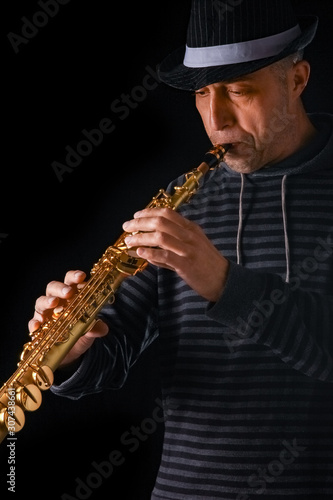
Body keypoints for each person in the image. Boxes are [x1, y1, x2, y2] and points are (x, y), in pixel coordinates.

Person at [29, 1, 333, 498]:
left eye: (238, 90)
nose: (217, 120)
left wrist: (222, 281)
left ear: (297, 79)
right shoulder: (183, 200)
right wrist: (71, 348)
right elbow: (112, 357)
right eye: (203, 94)